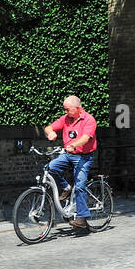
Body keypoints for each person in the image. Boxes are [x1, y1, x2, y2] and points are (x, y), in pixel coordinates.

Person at [44, 95, 97, 232]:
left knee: (79, 186)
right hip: (68, 155)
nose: (65, 112)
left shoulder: (89, 120)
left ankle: (82, 218)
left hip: (84, 157)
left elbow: (86, 138)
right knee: (51, 167)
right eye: (65, 109)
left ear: (78, 108)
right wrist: (51, 133)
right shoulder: (65, 119)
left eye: (68, 109)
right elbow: (49, 127)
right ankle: (66, 188)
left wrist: (74, 145)